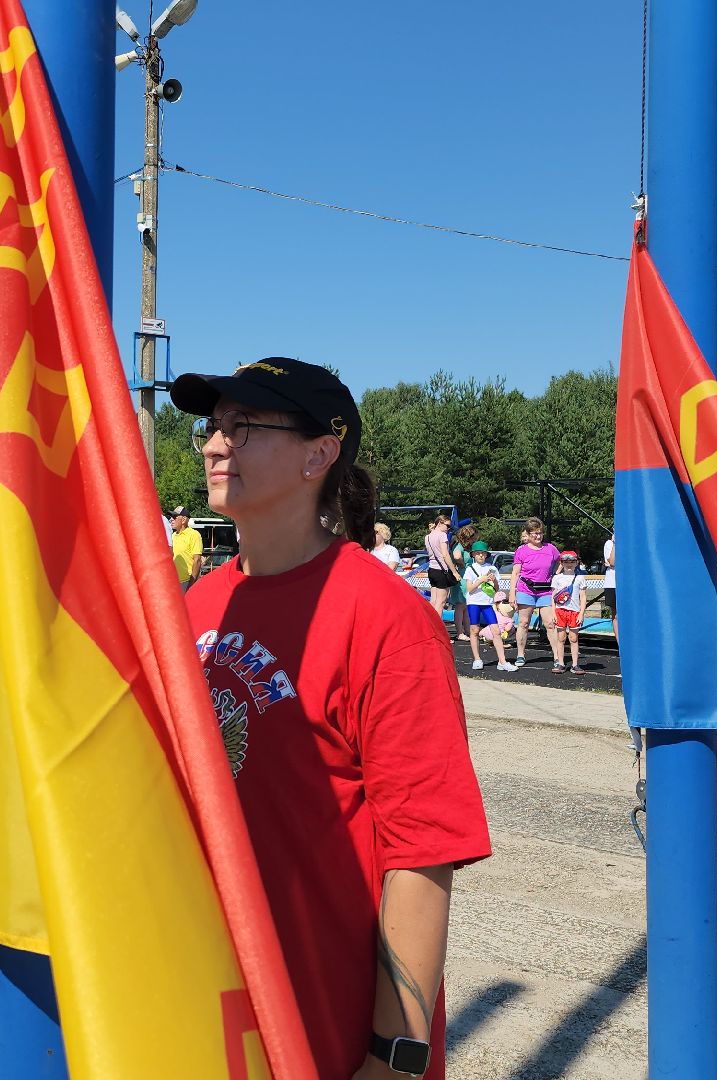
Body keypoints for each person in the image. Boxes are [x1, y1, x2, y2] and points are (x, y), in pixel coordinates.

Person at [171, 357, 489, 1079]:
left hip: (326, 1022)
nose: (217, 444)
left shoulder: (387, 619)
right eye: (213, 428)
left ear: (320, 453)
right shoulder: (193, 607)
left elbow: (423, 851)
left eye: (244, 426)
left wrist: (395, 1056)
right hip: (208, 999)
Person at [508, 518, 561, 668]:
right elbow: (515, 572)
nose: (538, 536)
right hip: (526, 590)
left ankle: (557, 656)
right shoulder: (522, 550)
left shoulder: (550, 548)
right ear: (528, 534)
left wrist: (555, 574)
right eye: (535, 533)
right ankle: (520, 654)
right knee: (523, 623)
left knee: (550, 623)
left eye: (540, 533)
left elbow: (559, 561)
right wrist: (512, 593)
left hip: (545, 591)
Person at [460, 541, 513, 672]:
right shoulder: (470, 569)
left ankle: (502, 661)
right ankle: (477, 659)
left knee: (496, 630)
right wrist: (481, 580)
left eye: (483, 554)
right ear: (473, 555)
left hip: (487, 603)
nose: (480, 556)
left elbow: (497, 589)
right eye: (478, 554)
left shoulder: (492, 568)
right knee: (474, 630)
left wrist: (493, 579)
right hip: (474, 603)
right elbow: (470, 589)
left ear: (486, 555)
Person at [550, 549, 589, 675]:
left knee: (573, 638)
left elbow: (583, 597)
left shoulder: (580, 578)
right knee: (561, 638)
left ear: (576, 563)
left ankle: (575, 664)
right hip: (560, 611)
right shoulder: (557, 578)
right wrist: (554, 613)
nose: (569, 564)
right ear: (561, 563)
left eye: (572, 561)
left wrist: (581, 613)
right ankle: (561, 663)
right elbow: (553, 597)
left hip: (575, 611)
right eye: (566, 561)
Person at [422, 515, 458, 634]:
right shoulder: (442, 535)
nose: (448, 528)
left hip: (432, 570)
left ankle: (428, 627)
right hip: (442, 570)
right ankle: (437, 631)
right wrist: (454, 572)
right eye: (447, 525)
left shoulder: (428, 536)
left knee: (433, 601)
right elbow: (445, 555)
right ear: (440, 523)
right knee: (441, 602)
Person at [169, 506, 204, 589]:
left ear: (184, 519)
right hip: (174, 582)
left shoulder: (194, 535)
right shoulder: (173, 535)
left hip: (187, 581)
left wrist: (191, 584)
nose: (171, 520)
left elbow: (197, 560)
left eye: (174, 517)